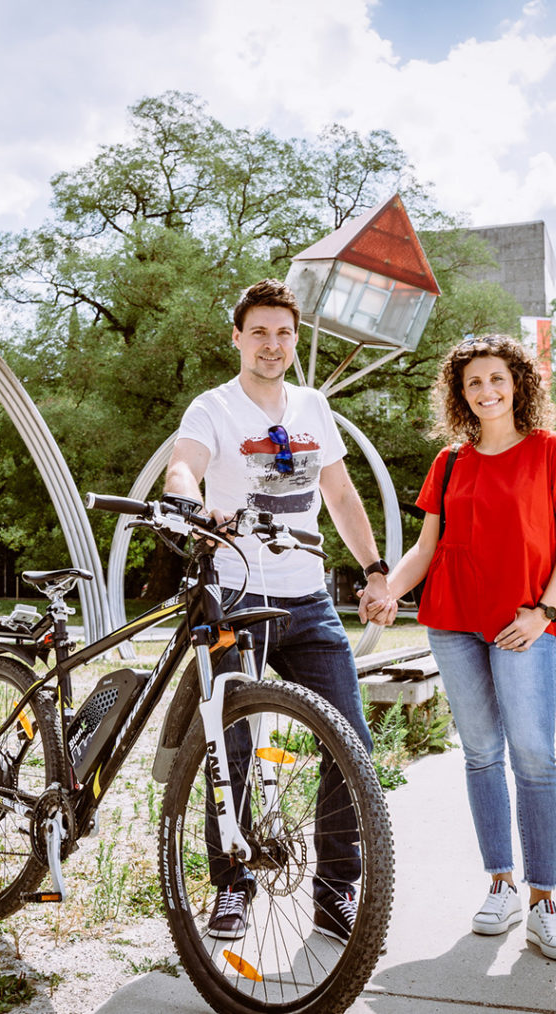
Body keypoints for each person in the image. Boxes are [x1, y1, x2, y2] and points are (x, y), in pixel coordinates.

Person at [164, 278, 398, 944]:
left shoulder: (313, 405)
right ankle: (233, 886)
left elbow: (344, 497)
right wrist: (192, 504)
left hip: (309, 597)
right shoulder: (213, 407)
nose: (272, 344)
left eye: (284, 333)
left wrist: (375, 568)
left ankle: (333, 893)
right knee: (228, 743)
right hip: (235, 593)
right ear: (237, 338)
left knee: (348, 740)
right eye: (259, 332)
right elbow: (183, 468)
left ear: (296, 342)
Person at [376, 334, 556, 961]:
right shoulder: (449, 462)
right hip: (453, 622)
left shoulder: (552, 452)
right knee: (479, 754)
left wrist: (544, 610)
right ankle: (500, 884)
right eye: (473, 383)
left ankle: (544, 900)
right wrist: (388, 592)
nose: (486, 391)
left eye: (497, 379)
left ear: (519, 383)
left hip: (524, 623)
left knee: (534, 756)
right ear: (460, 393)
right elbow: (426, 549)